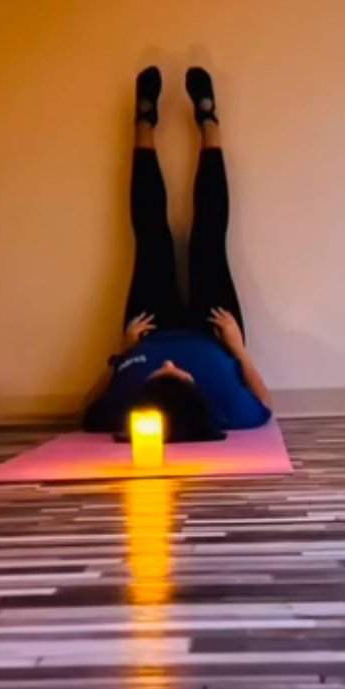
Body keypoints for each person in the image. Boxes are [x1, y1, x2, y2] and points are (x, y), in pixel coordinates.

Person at [82, 66, 272, 442]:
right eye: (178, 373)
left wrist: (122, 355)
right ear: (196, 392)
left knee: (152, 237)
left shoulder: (125, 409)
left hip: (148, 330)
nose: (169, 363)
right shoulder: (228, 409)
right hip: (215, 331)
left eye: (159, 373)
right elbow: (265, 407)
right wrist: (237, 348)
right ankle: (209, 121)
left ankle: (144, 122)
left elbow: (86, 412)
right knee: (208, 240)